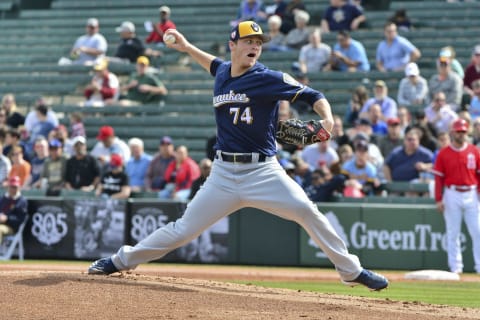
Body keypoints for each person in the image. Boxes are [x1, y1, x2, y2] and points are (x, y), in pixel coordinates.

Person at [87, 21, 389, 291]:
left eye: (258, 43)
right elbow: (213, 64)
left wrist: (328, 120)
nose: (255, 47)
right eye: (249, 41)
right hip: (222, 174)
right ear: (233, 45)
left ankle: (351, 271)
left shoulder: (267, 77)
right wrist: (187, 46)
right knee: (182, 230)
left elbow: (313, 95)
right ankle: (119, 261)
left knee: (307, 211)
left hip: (263, 172)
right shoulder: (222, 73)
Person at [433, 118, 480, 274]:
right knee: (453, 232)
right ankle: (456, 267)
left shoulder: (474, 150)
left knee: (477, 231)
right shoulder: (444, 153)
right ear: (452, 132)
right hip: (452, 192)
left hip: (472, 193)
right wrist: (438, 199)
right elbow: (438, 178)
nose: (461, 134)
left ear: (467, 132)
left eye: (463, 131)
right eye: (458, 131)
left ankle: (479, 266)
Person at [0, 176, 27, 245]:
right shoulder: (3, 198)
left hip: (11, 227)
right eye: (11, 186)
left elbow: (20, 219)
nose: (13, 189)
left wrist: (7, 218)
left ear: (19, 188)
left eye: (15, 187)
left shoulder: (22, 201)